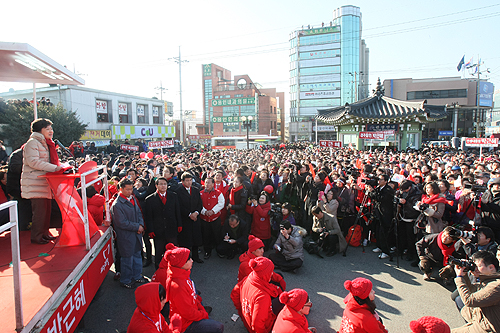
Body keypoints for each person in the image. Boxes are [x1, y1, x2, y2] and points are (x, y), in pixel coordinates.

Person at [163, 243, 224, 333]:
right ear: (181, 264)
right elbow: (188, 313)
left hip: (190, 312)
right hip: (186, 324)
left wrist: (200, 308)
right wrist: (202, 314)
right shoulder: (177, 286)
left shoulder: (181, 274)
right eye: (189, 260)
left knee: (199, 299)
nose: (192, 261)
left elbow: (193, 297)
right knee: (218, 327)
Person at [20, 118, 62, 244]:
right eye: (48, 129)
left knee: (46, 212)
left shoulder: (45, 143)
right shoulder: (32, 143)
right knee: (39, 213)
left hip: (43, 183)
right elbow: (34, 162)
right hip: (35, 183)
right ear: (40, 130)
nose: (51, 131)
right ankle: (37, 236)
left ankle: (44, 233)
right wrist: (55, 168)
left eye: (51, 129)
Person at [111, 178, 148, 289]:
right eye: (127, 189)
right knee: (127, 259)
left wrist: (140, 225)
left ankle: (137, 276)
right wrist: (137, 227)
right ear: (121, 189)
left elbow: (138, 213)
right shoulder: (117, 204)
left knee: (137, 256)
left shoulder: (132, 199)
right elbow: (121, 223)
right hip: (126, 236)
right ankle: (126, 280)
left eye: (131, 189)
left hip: (136, 233)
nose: (130, 191)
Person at [452, 250, 500, 333]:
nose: (474, 269)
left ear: (491, 267)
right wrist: (464, 275)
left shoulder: (496, 286)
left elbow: (469, 300)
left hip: (489, 329)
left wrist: (459, 277)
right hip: (480, 321)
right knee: (459, 300)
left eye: (477, 266)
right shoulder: (488, 280)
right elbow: (472, 289)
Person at [145, 177, 182, 269]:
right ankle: (158, 271)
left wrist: (179, 224)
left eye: (165, 184)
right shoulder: (149, 199)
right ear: (156, 186)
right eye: (161, 184)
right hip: (158, 230)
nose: (163, 186)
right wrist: (150, 230)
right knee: (159, 252)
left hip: (171, 228)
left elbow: (177, 211)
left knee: (173, 251)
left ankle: (174, 269)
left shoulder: (173, 195)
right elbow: (148, 217)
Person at [237, 257, 280, 333]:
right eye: (270, 272)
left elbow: (234, 295)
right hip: (263, 327)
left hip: (247, 319)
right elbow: (258, 324)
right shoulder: (263, 297)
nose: (272, 274)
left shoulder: (249, 278)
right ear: (265, 274)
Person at [176, 172, 204, 263]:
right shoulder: (178, 191)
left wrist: (196, 213)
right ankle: (186, 258)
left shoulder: (196, 190)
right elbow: (179, 206)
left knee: (196, 238)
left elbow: (200, 203)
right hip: (185, 219)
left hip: (195, 218)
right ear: (182, 181)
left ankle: (196, 257)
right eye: (187, 180)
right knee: (186, 240)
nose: (189, 182)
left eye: (190, 180)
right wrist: (189, 214)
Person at [366, 174, 395, 260]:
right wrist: (370, 191)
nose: (379, 181)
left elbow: (380, 198)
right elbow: (372, 197)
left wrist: (372, 191)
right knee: (378, 230)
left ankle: (386, 251)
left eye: (381, 179)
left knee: (384, 232)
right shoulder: (379, 188)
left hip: (385, 213)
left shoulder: (388, 190)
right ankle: (379, 246)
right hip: (378, 212)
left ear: (386, 181)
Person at [200, 177, 225, 259]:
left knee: (217, 235)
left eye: (209, 183)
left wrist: (213, 211)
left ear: (213, 184)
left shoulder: (218, 193)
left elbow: (221, 203)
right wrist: (205, 211)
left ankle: (220, 251)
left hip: (215, 219)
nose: (207, 184)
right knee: (206, 236)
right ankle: (207, 251)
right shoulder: (200, 193)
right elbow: (198, 204)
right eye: (206, 182)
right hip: (204, 219)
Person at [480, 177, 500, 241]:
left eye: (499, 185)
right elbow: (481, 207)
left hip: (497, 226)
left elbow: (498, 209)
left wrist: (487, 203)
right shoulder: (487, 194)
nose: (497, 187)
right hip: (484, 223)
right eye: (495, 185)